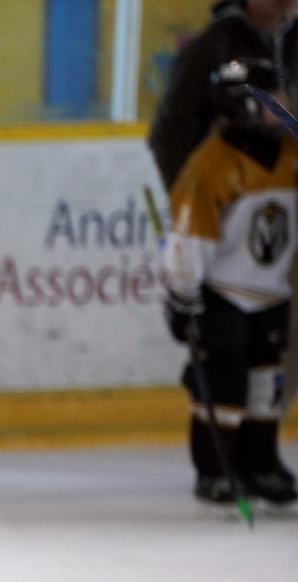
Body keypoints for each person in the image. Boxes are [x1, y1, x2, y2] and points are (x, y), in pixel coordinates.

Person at [161, 57, 298, 507]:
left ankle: (260, 464)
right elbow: (190, 240)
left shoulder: (290, 152)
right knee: (223, 386)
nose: (284, 104)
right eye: (273, 98)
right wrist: (183, 298)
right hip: (224, 296)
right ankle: (215, 470)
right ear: (244, 105)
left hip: (273, 292)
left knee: (266, 385)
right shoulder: (212, 164)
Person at [149, 0, 298, 189]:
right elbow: (170, 129)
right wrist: (185, 193)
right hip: (227, 190)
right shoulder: (212, 45)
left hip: (287, 191)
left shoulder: (294, 42)